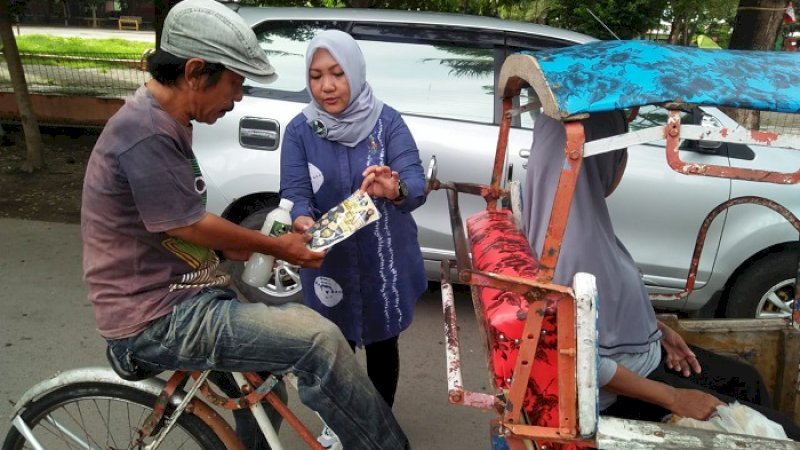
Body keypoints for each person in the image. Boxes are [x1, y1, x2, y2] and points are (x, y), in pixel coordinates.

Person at [80, 1, 411, 449]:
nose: (237, 98)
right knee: (320, 339)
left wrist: (233, 246)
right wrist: (276, 246)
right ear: (195, 72)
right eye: (235, 83)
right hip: (160, 317)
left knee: (264, 388)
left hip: (185, 294)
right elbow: (190, 225)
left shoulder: (165, 121)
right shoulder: (147, 132)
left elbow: (171, 221)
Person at [522, 111, 800, 438]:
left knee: (747, 380)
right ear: (600, 156)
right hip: (621, 389)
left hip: (643, 353)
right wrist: (675, 398)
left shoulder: (571, 218)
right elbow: (578, 357)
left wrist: (656, 329)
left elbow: (603, 312)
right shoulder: (571, 245)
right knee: (784, 433)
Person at [279, 30, 427, 449]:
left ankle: (379, 423)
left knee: (383, 346)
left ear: (355, 72)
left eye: (337, 73)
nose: (326, 86)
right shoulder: (300, 130)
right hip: (331, 263)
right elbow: (294, 190)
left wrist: (394, 188)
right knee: (333, 348)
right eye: (316, 76)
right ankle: (338, 422)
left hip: (385, 261)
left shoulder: (388, 122)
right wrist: (302, 218)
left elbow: (415, 185)